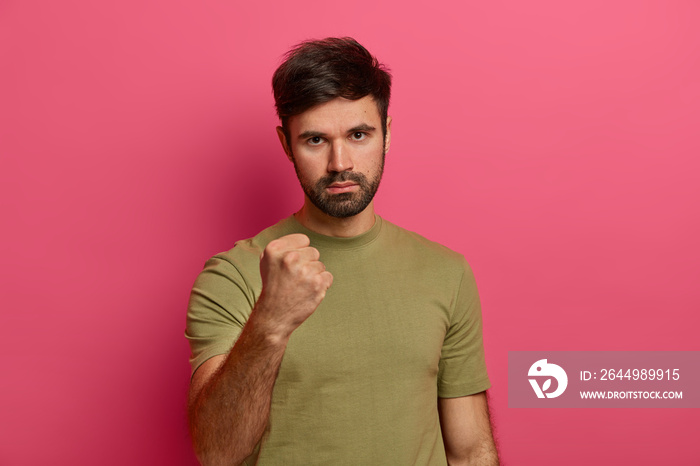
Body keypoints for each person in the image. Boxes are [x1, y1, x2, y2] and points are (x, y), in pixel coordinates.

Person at [186, 37, 499, 466]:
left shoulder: (446, 271)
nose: (340, 163)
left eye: (358, 135)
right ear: (285, 144)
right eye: (315, 140)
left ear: (386, 134)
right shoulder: (234, 275)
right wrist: (270, 323)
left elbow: (471, 450)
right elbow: (216, 453)